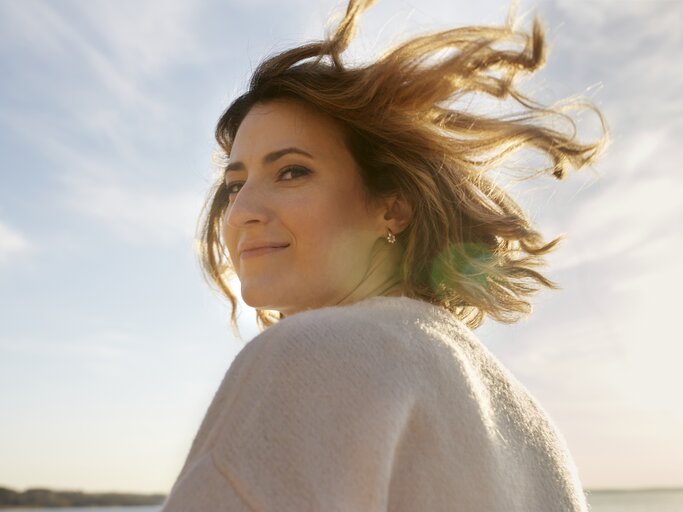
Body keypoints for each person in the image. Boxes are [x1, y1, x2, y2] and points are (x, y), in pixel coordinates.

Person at [161, 0, 607, 510]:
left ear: (391, 207)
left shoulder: (303, 357)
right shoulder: (530, 428)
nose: (241, 211)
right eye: (235, 183)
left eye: (291, 171)